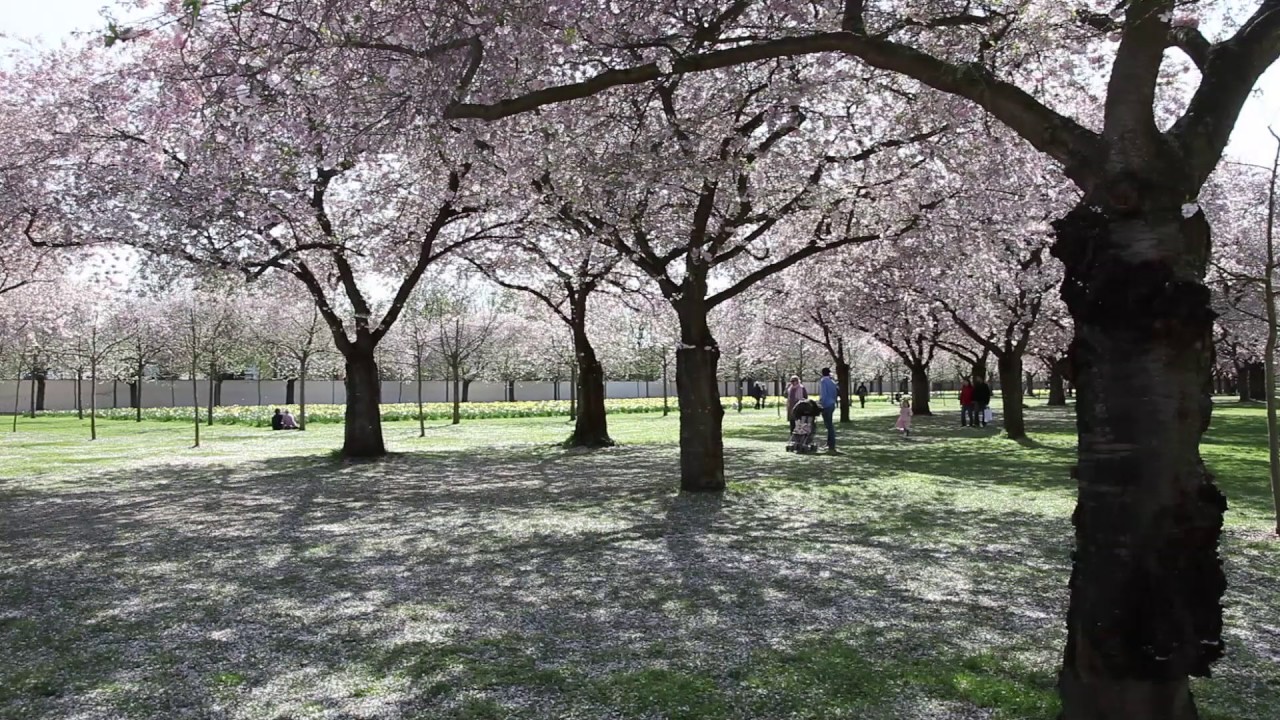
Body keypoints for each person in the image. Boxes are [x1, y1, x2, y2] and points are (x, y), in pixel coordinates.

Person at [819, 367, 839, 452]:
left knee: (829, 425)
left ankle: (832, 444)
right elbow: (836, 393)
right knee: (829, 424)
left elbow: (823, 393)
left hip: (826, 404)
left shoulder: (823, 381)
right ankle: (829, 443)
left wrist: (821, 403)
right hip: (832, 404)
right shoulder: (832, 382)